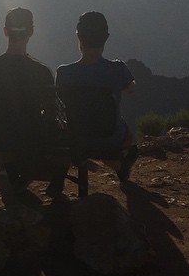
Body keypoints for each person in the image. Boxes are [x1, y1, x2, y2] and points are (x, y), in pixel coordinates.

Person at [0, 7, 68, 199]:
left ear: (5, 31)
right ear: (31, 32)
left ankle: (13, 172)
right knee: (68, 131)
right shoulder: (41, 71)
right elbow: (51, 113)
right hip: (32, 133)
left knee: (3, 127)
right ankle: (56, 178)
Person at [55, 11, 138, 181]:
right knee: (125, 129)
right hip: (109, 138)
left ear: (78, 36)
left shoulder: (63, 73)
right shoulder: (117, 69)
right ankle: (119, 163)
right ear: (106, 37)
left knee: (85, 123)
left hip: (76, 136)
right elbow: (131, 88)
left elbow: (61, 99)